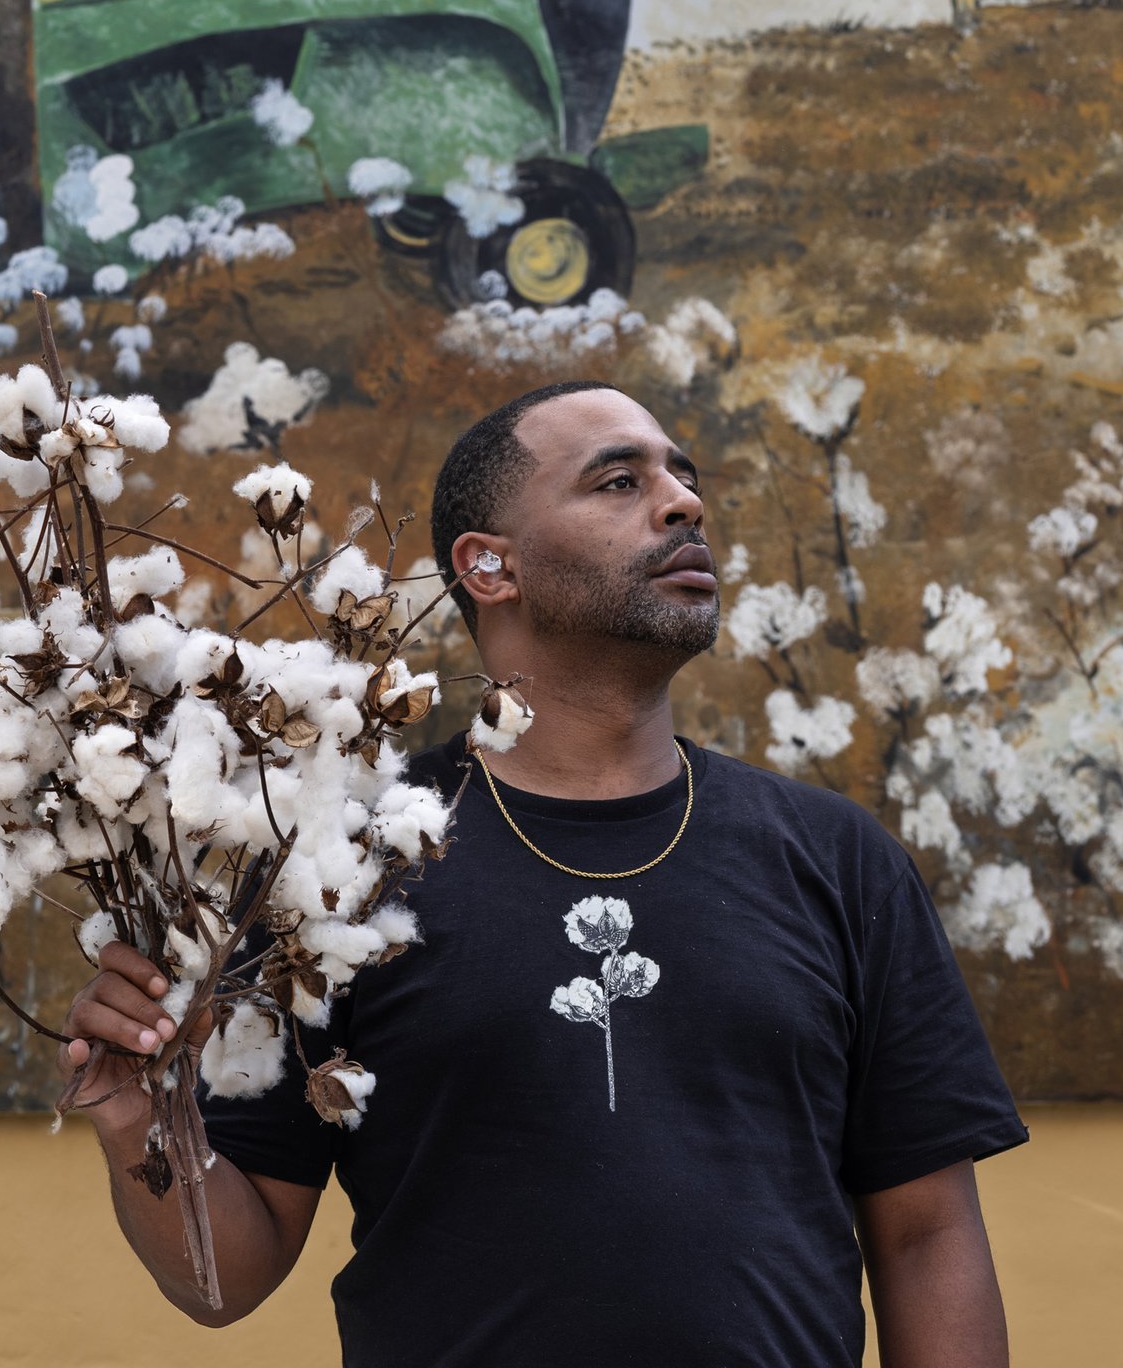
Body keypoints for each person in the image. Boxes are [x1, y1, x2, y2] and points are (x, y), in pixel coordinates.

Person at [60, 380, 1026, 1366]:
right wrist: (138, 1117)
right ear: (490, 565)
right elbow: (231, 1271)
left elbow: (925, 1232)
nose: (682, 502)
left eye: (682, 477)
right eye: (618, 479)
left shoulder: (836, 859)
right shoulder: (337, 868)